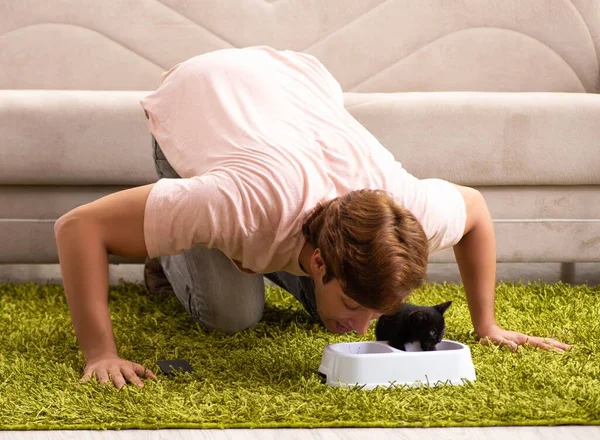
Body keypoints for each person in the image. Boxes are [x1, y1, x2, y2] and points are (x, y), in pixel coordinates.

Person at [54, 46, 570, 390]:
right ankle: (167, 256)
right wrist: (100, 353)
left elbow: (475, 209)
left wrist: (488, 324)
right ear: (319, 259)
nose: (360, 328)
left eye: (369, 313)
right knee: (233, 317)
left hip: (295, 81)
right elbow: (78, 227)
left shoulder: (408, 207)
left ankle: (255, 261)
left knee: (314, 288)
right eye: (352, 303)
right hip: (201, 93)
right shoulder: (239, 202)